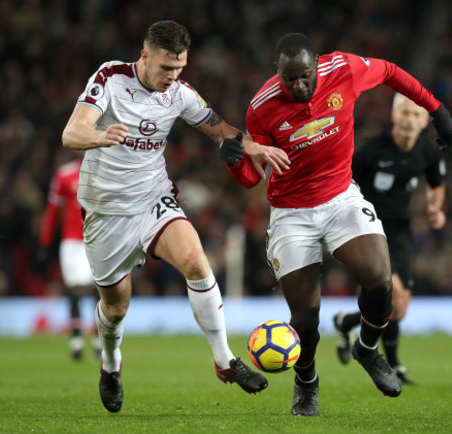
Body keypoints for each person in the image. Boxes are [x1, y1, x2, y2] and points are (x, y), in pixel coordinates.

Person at [220, 33, 452, 416]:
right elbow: (251, 177)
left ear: (317, 64)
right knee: (305, 316)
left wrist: (437, 110)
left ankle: (366, 347)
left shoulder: (344, 69)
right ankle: (307, 384)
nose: (298, 86)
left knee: (380, 279)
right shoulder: (261, 109)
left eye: (305, 76)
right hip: (291, 212)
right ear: (276, 73)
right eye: (289, 79)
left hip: (340, 196)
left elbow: (391, 72)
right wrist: (234, 159)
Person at [61, 20, 290, 413]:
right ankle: (111, 364)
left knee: (197, 263)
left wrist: (252, 148)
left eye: (180, 68)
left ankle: (224, 361)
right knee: (115, 308)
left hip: (153, 197)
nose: (173, 77)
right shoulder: (110, 78)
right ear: (145, 56)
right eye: (167, 68)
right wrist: (101, 136)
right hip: (106, 211)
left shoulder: (180, 94)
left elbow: (219, 129)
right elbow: (72, 133)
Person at [333, 92, 448, 386]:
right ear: (394, 116)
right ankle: (393, 365)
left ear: (425, 122)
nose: (410, 119)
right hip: (367, 229)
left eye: (416, 115)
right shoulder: (371, 149)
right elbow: (343, 180)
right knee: (392, 294)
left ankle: (347, 323)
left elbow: (437, 183)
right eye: (405, 113)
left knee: (401, 305)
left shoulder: (427, 152)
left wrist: (435, 207)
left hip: (399, 230)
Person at [39, 153, 102, 361]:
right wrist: (45, 240)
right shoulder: (64, 174)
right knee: (75, 289)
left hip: (97, 239)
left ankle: (97, 339)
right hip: (72, 243)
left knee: (98, 289)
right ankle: (76, 340)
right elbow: (53, 210)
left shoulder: (104, 170)